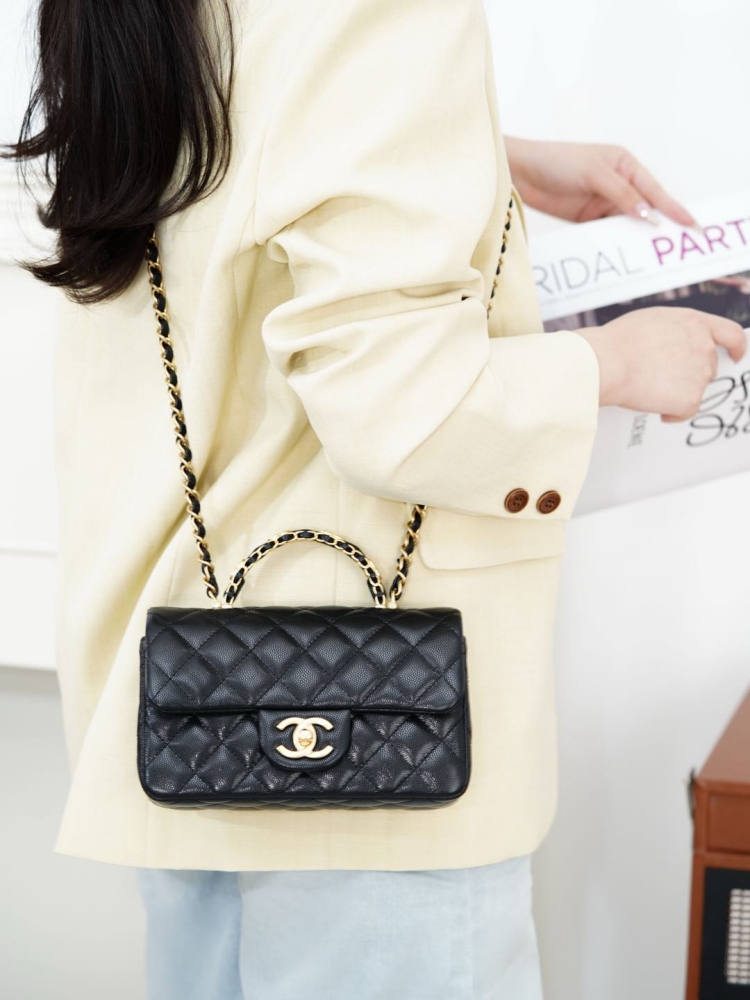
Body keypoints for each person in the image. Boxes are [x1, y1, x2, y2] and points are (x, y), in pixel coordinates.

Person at [7, 2, 745, 998]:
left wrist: (476, 154)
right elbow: (399, 405)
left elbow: (231, 146)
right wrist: (612, 362)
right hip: (379, 772)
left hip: (186, 697)